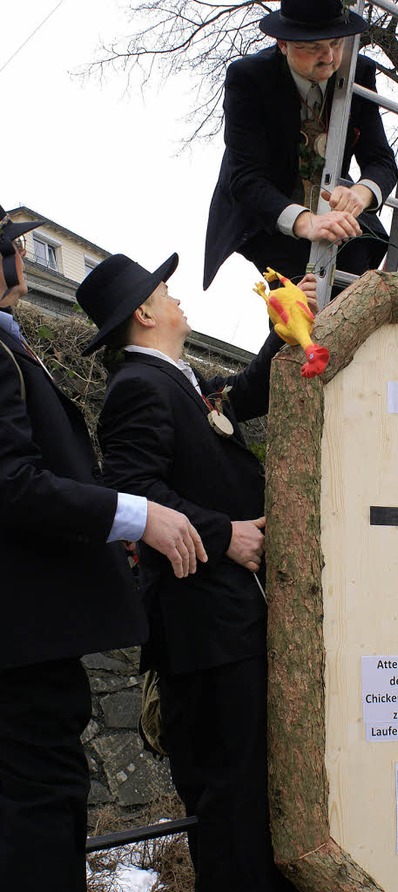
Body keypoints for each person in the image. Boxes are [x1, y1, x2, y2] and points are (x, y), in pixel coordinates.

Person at [0, 207, 207, 892]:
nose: (24, 260)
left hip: (30, 636)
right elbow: (14, 484)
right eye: (14, 248)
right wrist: (134, 515)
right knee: (42, 802)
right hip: (22, 641)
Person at [76, 251, 293, 892]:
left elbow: (243, 397)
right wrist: (226, 535)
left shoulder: (175, 377)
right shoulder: (137, 388)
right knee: (231, 798)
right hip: (204, 632)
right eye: (165, 292)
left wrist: (284, 326)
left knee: (248, 789)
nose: (177, 300)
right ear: (144, 314)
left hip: (224, 625)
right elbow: (132, 488)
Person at [203, 0, 398, 295]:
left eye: (336, 43)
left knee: (352, 296)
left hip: (333, 212)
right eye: (314, 47)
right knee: (296, 305)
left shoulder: (360, 72)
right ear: (283, 43)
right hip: (271, 214)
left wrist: (359, 194)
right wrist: (306, 223)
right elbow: (245, 179)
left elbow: (381, 160)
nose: (329, 57)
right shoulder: (249, 78)